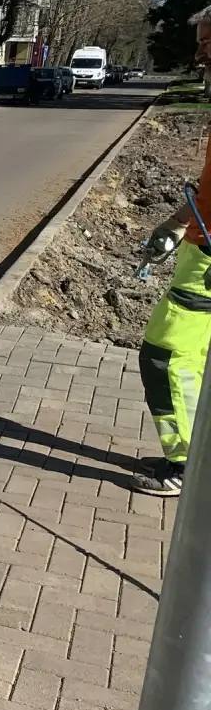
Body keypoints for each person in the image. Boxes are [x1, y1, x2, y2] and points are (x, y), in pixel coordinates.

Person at [134, 130, 211, 496]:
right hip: (199, 250)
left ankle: (184, 466)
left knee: (164, 358)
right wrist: (179, 222)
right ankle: (191, 458)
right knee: (191, 362)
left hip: (206, 265)